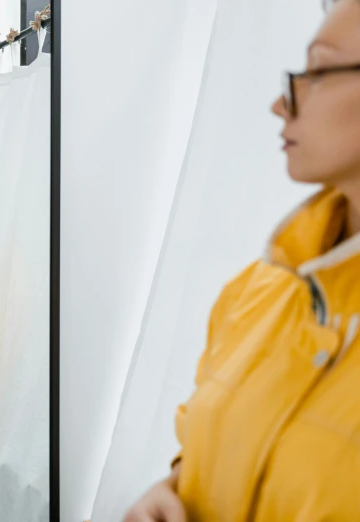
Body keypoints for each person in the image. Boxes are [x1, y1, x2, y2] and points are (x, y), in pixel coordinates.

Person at [125, 1, 360, 520]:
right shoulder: (258, 289)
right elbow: (214, 446)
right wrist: (173, 489)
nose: (281, 104)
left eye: (318, 70)